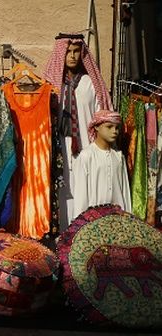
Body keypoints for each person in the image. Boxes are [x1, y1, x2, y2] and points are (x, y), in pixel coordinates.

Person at [43, 33, 112, 229]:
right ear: (61, 54)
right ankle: (63, 236)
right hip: (60, 150)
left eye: (76, 52)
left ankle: (83, 233)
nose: (72, 56)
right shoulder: (53, 86)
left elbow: (102, 116)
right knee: (63, 192)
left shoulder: (91, 84)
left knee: (85, 192)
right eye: (68, 52)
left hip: (86, 148)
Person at [71, 110, 132, 222]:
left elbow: (125, 191)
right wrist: (79, 224)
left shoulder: (118, 156)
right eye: (109, 127)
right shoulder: (86, 156)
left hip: (117, 219)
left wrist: (127, 215)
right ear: (97, 127)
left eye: (117, 128)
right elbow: (80, 194)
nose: (114, 131)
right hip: (93, 220)